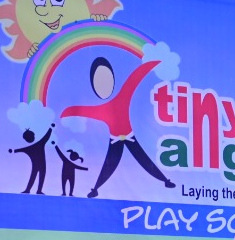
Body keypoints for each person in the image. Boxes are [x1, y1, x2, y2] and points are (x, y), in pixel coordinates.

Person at [61, 55, 176, 197]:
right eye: (98, 82)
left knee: (144, 160)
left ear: (113, 78)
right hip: (115, 140)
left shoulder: (123, 95)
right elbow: (82, 110)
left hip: (129, 137)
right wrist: (67, 113)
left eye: (107, 79)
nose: (104, 85)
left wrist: (153, 63)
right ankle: (95, 189)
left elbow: (135, 78)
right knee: (109, 165)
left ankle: (165, 180)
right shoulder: (101, 109)